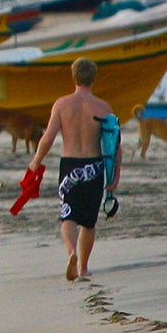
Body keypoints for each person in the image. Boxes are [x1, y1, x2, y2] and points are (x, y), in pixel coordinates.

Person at [29, 57, 114, 280]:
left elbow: (48, 138)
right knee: (88, 221)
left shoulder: (62, 104)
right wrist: (114, 177)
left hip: (70, 166)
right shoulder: (103, 107)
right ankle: (83, 268)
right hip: (94, 167)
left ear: (73, 76)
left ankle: (72, 252)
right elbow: (115, 146)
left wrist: (36, 161)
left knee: (68, 216)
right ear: (94, 78)